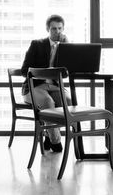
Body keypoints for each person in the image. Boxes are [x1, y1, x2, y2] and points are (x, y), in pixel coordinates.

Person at [21, 14, 71, 152]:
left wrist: (68, 47)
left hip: (54, 86)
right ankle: (56, 142)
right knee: (48, 102)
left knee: (67, 100)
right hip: (34, 87)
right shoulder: (37, 45)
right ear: (47, 29)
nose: (57, 32)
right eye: (54, 29)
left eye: (60, 28)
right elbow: (24, 70)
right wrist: (44, 72)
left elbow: (68, 73)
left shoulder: (65, 47)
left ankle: (48, 134)